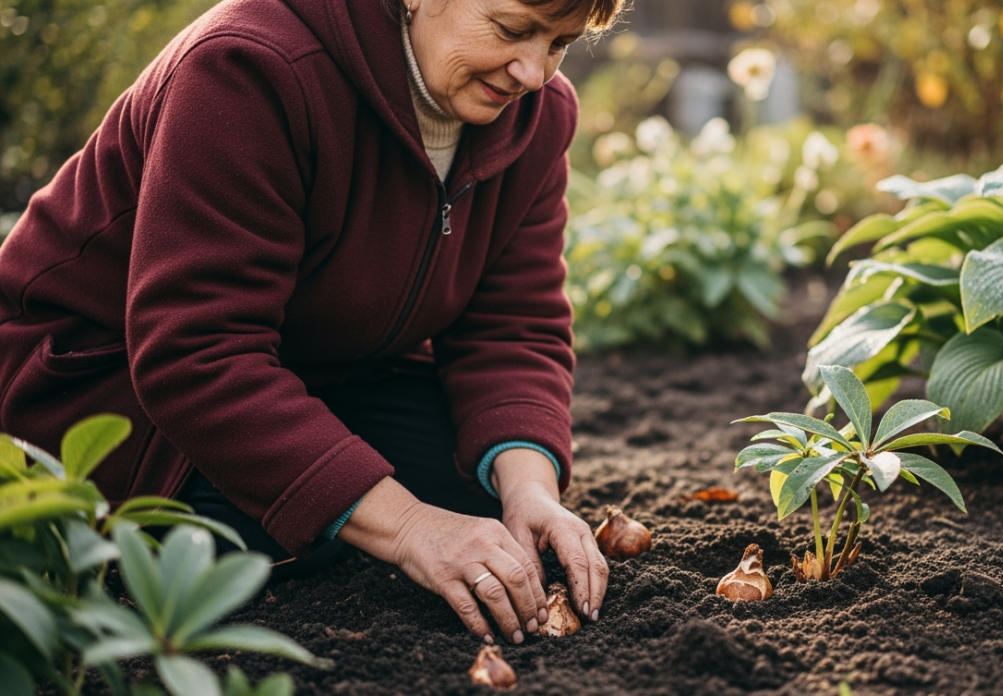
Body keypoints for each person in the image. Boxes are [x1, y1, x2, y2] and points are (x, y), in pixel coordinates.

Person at [0, 0, 622, 647]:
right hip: (99, 380)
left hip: (312, 369)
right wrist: (408, 527)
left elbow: (511, 326)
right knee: (280, 534)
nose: (532, 71)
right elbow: (197, 352)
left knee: (482, 499)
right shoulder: (250, 69)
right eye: (512, 30)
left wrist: (531, 492)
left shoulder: (536, 118)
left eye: (561, 43)